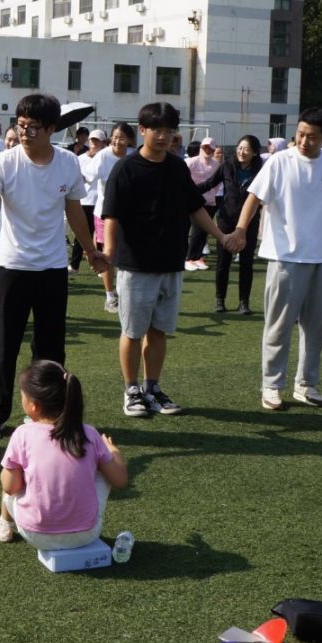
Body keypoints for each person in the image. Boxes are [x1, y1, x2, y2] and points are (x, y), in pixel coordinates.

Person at [0, 94, 107, 442]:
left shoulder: (67, 163)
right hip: (12, 268)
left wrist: (91, 251)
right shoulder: (4, 162)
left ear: (51, 128)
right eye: (20, 125)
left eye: (33, 127)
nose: (25, 132)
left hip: (52, 270)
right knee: (4, 346)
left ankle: (49, 415)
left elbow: (74, 211)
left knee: (50, 350)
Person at [234, 107, 322, 411]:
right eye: (300, 134)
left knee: (315, 327)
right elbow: (254, 197)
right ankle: (272, 386)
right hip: (285, 258)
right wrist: (241, 230)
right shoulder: (279, 162)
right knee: (278, 326)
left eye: (312, 136)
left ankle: (306, 384)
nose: (304, 141)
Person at [101, 103, 237, 418]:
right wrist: (108, 253)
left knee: (159, 330)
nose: (163, 137)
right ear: (142, 130)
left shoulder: (177, 168)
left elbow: (195, 207)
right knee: (133, 331)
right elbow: (111, 215)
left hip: (171, 263)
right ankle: (131, 390)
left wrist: (220, 235)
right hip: (136, 264)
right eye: (156, 130)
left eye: (168, 130)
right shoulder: (126, 169)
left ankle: (153, 388)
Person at [0, 361, 129, 549]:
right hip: (87, 534)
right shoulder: (90, 433)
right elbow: (120, 481)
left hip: (35, 534)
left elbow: (10, 487)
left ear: (33, 405)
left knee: (12, 471)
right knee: (104, 466)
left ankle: (4, 523)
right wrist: (113, 450)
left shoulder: (23, 434)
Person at [198, 135, 266, 314]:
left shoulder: (261, 170)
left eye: (246, 149)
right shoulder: (227, 166)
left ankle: (244, 302)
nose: (242, 152)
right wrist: (188, 191)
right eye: (239, 148)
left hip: (249, 223)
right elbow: (209, 184)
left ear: (255, 152)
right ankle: (220, 300)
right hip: (226, 220)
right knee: (223, 262)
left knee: (246, 263)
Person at [91, 123, 135, 312]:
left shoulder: (134, 156)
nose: (117, 141)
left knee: (128, 254)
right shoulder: (103, 156)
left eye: (122, 137)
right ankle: (110, 297)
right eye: (115, 136)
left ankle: (126, 293)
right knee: (107, 256)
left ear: (130, 140)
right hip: (105, 213)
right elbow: (86, 176)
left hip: (129, 215)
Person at [72, 129, 107, 275]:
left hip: (99, 202)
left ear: (103, 143)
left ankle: (100, 266)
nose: (94, 143)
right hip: (83, 200)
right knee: (80, 234)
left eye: (97, 140)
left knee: (99, 236)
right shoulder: (80, 158)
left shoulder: (105, 158)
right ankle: (74, 265)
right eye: (92, 140)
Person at [185, 137, 221, 270]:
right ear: (201, 148)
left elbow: (217, 182)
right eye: (205, 147)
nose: (208, 150)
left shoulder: (216, 164)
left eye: (210, 148)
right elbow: (185, 179)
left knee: (205, 230)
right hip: (193, 201)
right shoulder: (191, 162)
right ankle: (189, 258)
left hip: (210, 201)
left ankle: (198, 257)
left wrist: (212, 195)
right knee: (197, 230)